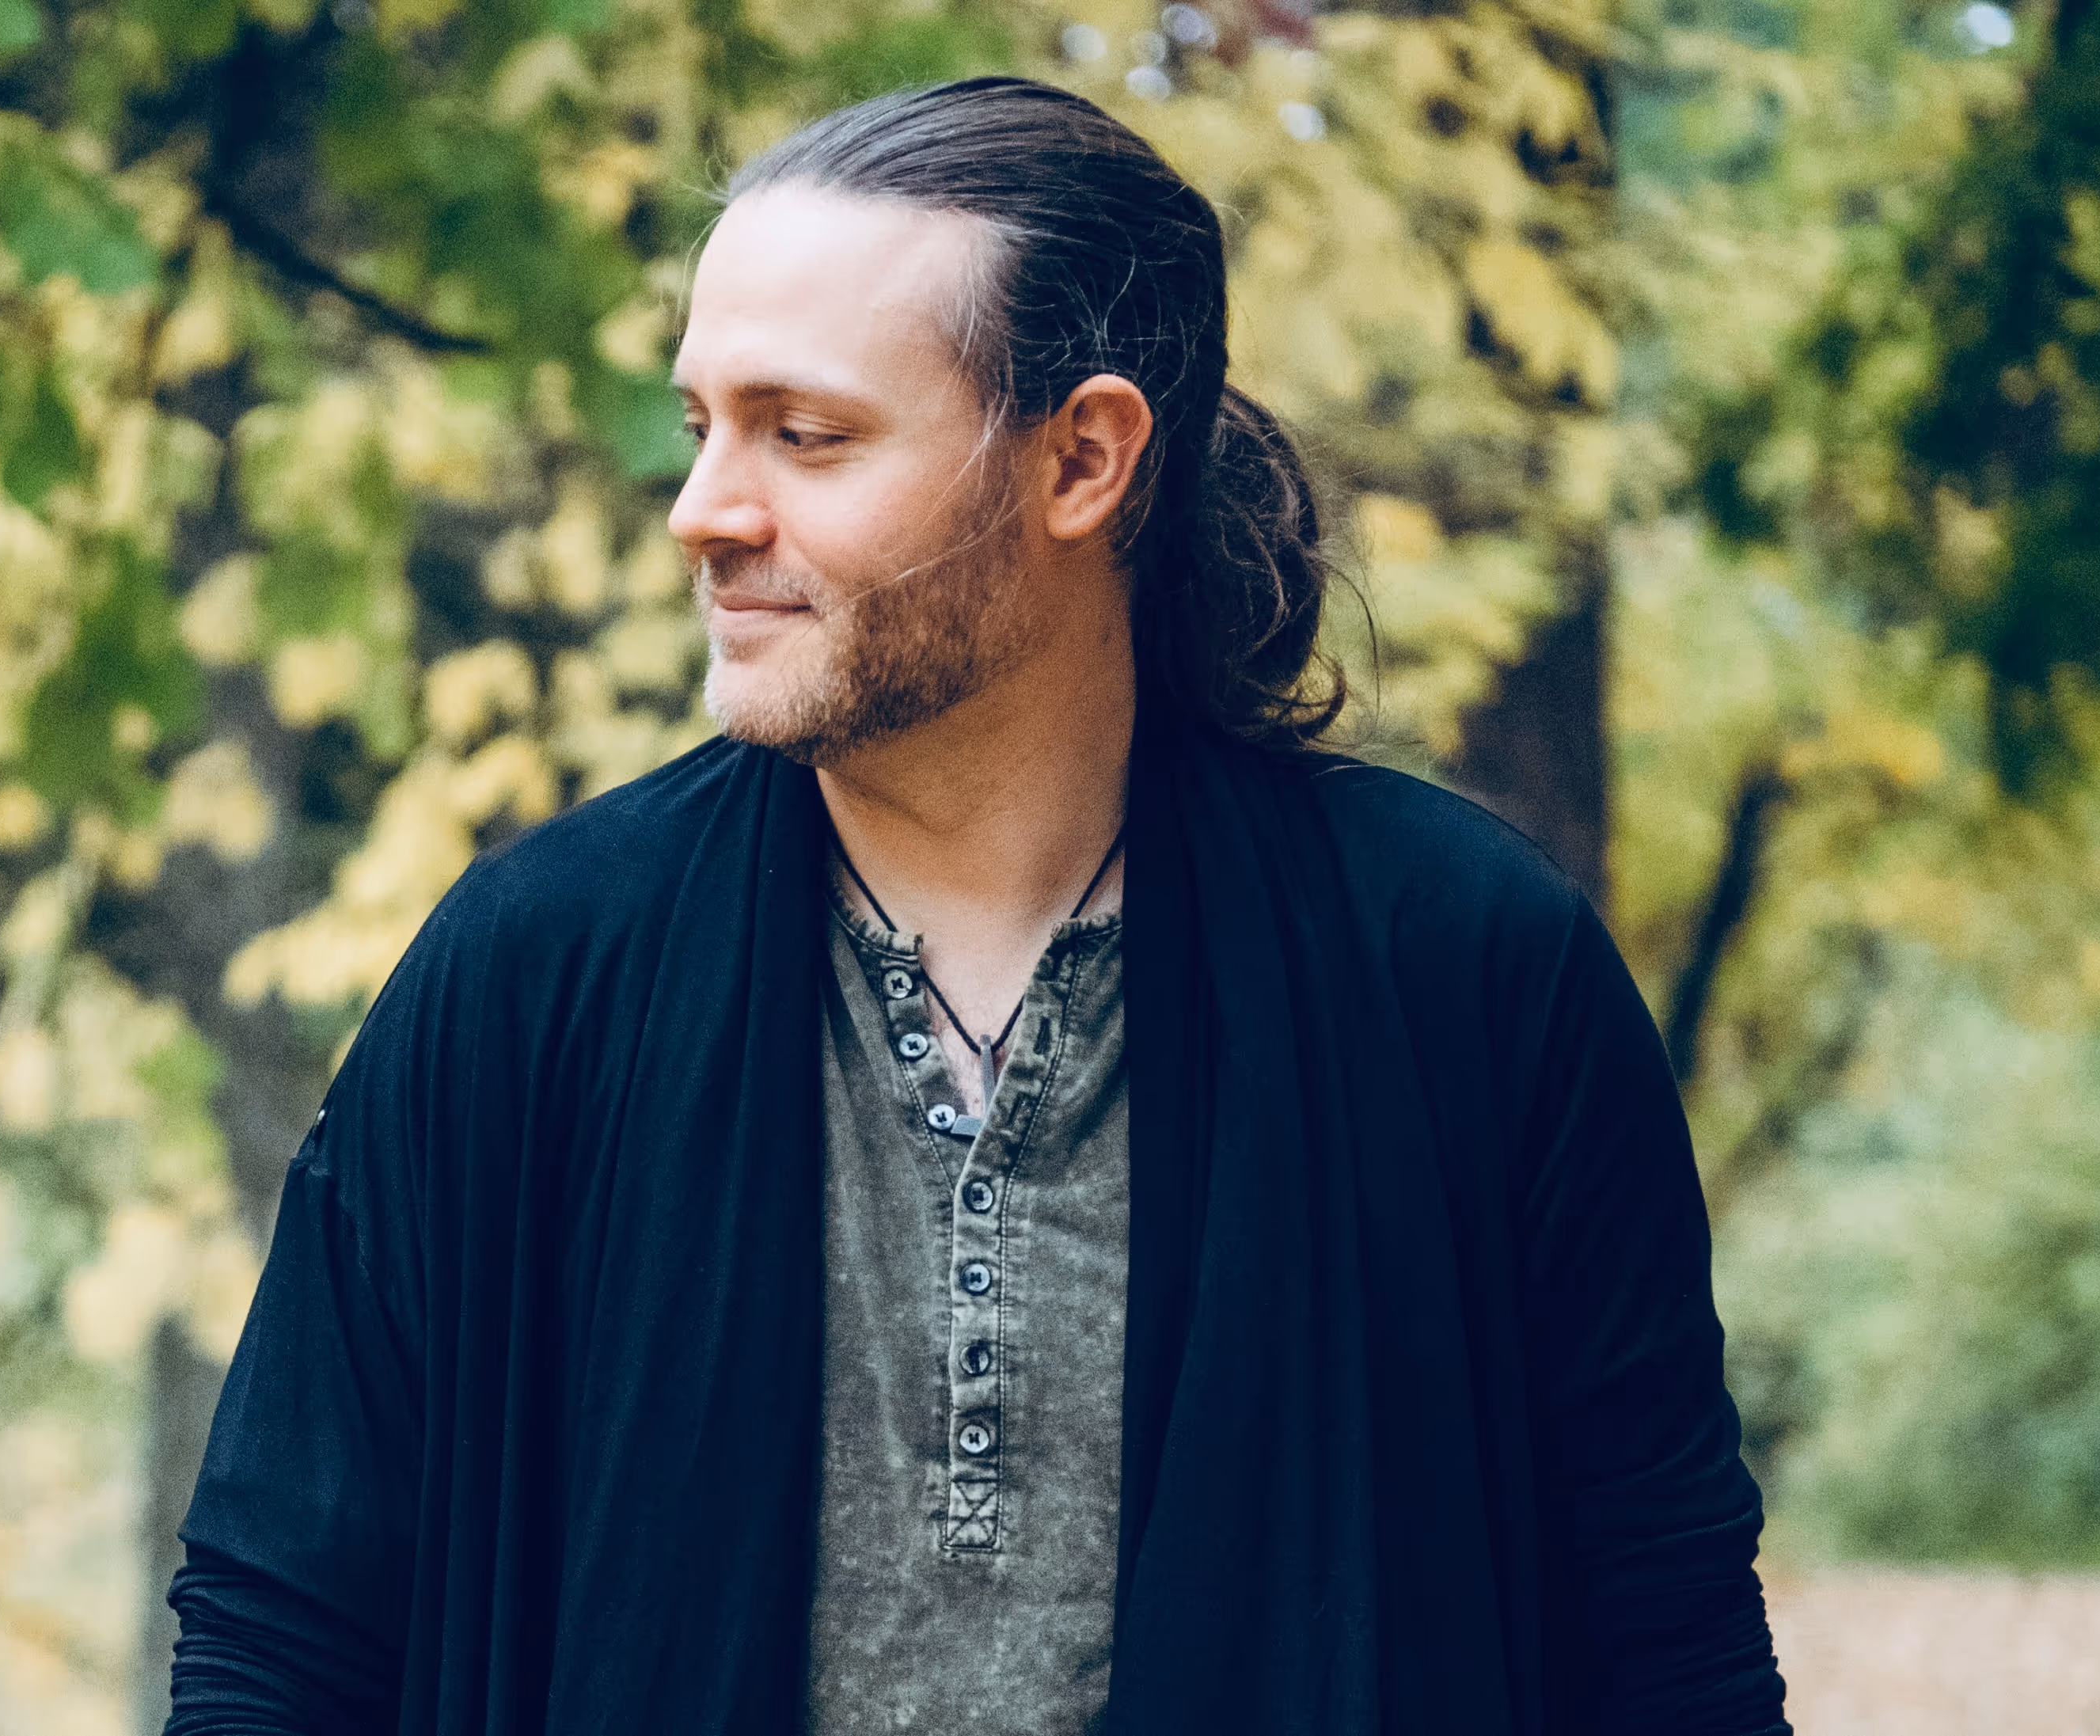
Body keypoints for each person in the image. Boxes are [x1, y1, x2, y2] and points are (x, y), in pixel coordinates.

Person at [165, 74, 1790, 1736]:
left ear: (1082, 459)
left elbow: (1665, 1644)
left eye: (806, 435)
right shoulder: (531, 969)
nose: (706, 512)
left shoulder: (1464, 971)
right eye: (701, 424)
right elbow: (281, 1635)